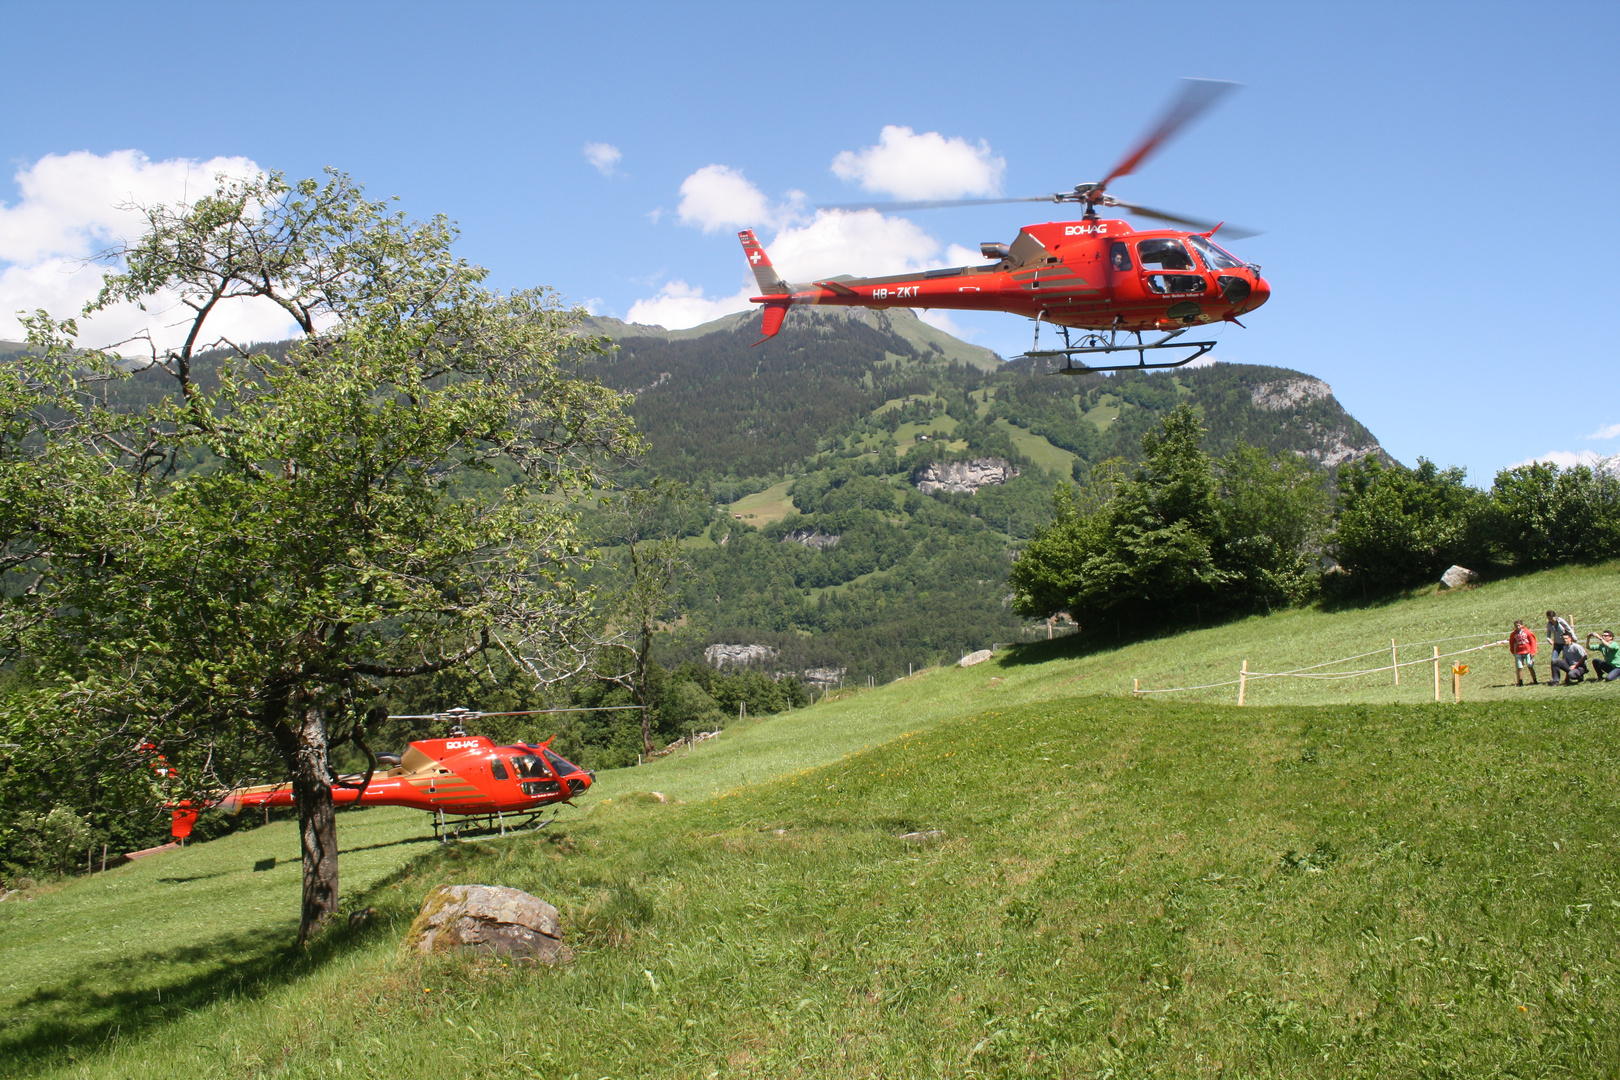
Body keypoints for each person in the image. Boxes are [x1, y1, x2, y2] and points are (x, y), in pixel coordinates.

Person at [1508, 619, 1539, 685]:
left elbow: (1533, 642)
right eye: (1516, 626)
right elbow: (1511, 643)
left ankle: (1535, 680)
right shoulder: (1514, 634)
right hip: (1519, 652)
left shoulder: (1528, 632)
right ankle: (1520, 681)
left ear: (1522, 625)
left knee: (1530, 665)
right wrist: (1513, 651)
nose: (1518, 627)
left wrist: (1533, 652)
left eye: (1519, 625)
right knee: (1520, 667)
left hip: (1528, 651)